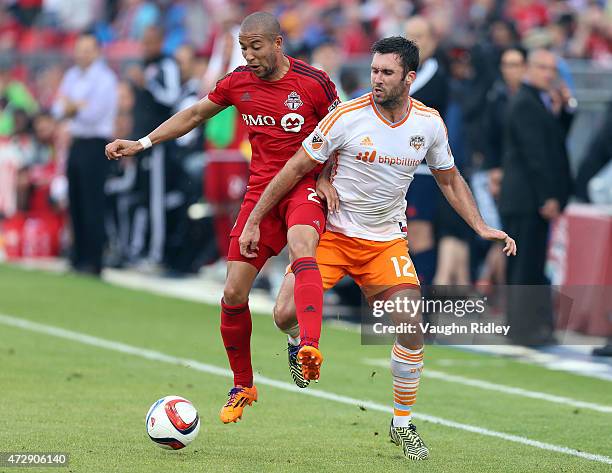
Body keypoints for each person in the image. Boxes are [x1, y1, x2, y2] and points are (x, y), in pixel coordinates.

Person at [239, 36, 516, 460]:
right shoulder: (347, 116)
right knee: (282, 315)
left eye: (386, 73)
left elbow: (449, 177)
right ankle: (297, 341)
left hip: (385, 241)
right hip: (333, 236)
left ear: (410, 77)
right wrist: (257, 216)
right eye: (373, 71)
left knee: (411, 323)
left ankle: (401, 423)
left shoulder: (429, 123)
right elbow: (298, 165)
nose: (377, 80)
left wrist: (480, 224)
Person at [105, 12, 339, 423]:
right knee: (233, 292)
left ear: (278, 43)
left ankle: (310, 344)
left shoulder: (314, 82)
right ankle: (243, 384)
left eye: (255, 47)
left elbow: (341, 132)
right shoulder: (238, 83)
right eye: (243, 47)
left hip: (302, 186)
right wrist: (142, 142)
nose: (248, 55)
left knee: (303, 245)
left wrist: (327, 177)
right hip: (260, 195)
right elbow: (194, 115)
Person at [499, 48, 574, 345]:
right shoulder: (526, 104)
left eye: (551, 69)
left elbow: (553, 141)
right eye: (542, 67)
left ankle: (528, 326)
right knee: (524, 265)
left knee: (529, 265)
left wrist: (565, 112)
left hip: (527, 199)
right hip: (526, 200)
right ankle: (521, 329)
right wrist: (548, 196)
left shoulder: (537, 103)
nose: (548, 74)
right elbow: (536, 157)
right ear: (529, 68)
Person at [52, 32, 118, 275]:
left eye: (88, 49)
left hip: (96, 144)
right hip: (76, 141)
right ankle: (77, 256)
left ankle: (93, 260)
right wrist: (75, 106)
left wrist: (73, 106)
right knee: (76, 199)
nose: (82, 53)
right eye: (79, 48)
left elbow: (94, 113)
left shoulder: (105, 78)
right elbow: (58, 107)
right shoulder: (71, 75)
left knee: (93, 202)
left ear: (97, 51)